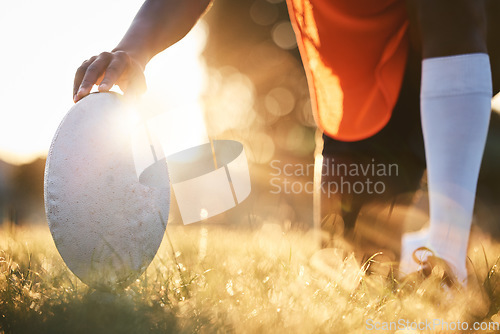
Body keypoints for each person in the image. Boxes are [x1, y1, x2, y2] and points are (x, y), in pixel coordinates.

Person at [73, 0, 500, 285]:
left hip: (464, 32)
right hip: (359, 76)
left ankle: (448, 249)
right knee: (359, 268)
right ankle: (414, 246)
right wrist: (133, 49)